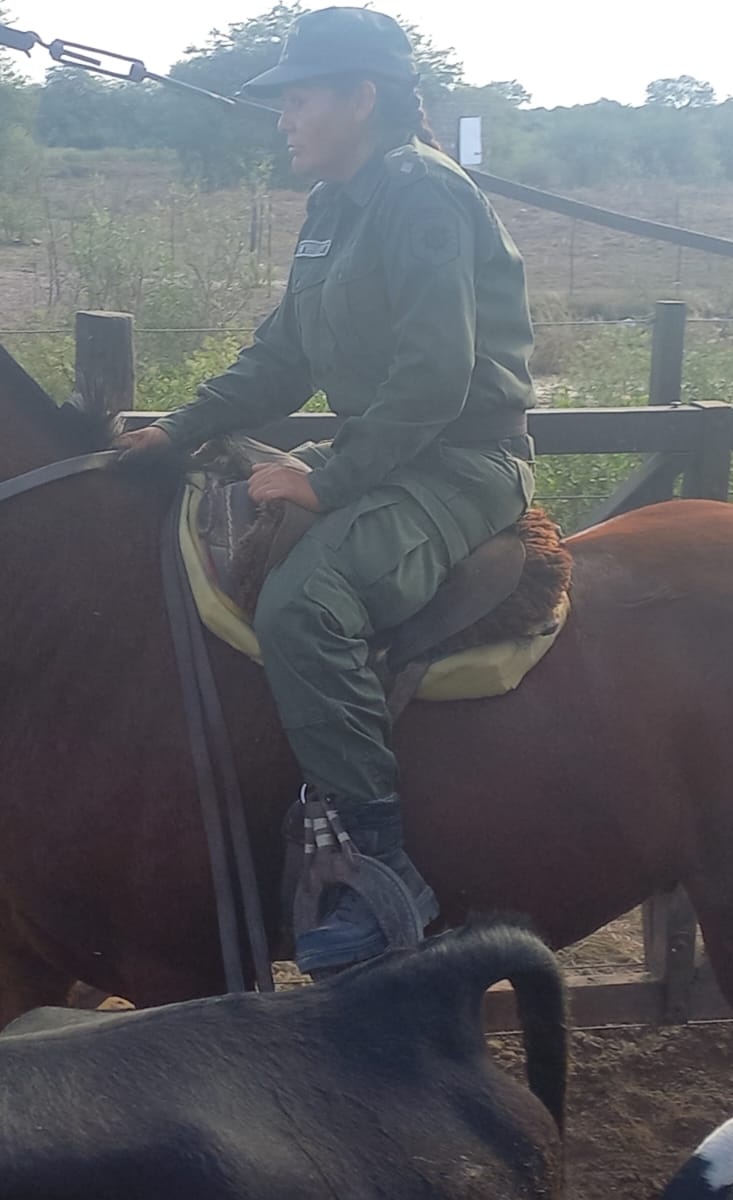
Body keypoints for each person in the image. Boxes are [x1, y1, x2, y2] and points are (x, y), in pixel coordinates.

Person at [116, 7, 537, 975]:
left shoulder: (424, 196)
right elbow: (282, 355)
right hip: (395, 451)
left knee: (307, 605)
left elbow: (435, 376)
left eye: (299, 98)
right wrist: (175, 429)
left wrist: (327, 480)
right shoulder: (334, 205)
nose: (283, 119)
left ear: (362, 97)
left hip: (461, 464)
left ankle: (376, 864)